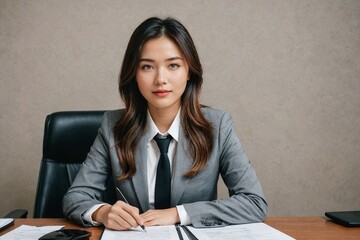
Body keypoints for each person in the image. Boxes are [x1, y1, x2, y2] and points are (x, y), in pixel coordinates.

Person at [63, 16, 267, 230]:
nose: (160, 78)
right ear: (134, 73)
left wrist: (179, 213)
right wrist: (103, 212)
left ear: (189, 72)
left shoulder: (218, 126)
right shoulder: (113, 126)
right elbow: (75, 197)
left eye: (173, 65)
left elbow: (254, 202)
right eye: (147, 67)